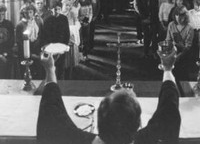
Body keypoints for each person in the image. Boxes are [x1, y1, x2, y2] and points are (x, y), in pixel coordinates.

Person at [37, 46, 180, 144]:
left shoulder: (76, 140)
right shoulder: (148, 138)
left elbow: (51, 111)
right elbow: (169, 107)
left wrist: (50, 69)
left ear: (98, 123)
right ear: (138, 124)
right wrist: (167, 68)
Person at [40, 0, 70, 79]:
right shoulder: (47, 20)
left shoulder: (64, 18)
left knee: (61, 69)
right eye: (55, 9)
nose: (57, 11)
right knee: (51, 68)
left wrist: (64, 47)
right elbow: (44, 35)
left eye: (59, 9)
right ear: (51, 9)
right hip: (51, 47)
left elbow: (67, 34)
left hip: (61, 46)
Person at [166, 7, 194, 80]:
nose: (178, 18)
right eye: (176, 16)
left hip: (184, 54)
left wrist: (179, 56)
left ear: (185, 16)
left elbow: (188, 46)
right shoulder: (171, 25)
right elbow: (168, 40)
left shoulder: (189, 28)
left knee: (182, 77)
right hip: (172, 52)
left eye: (181, 16)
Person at [0, 4, 14, 78]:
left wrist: (4, 54)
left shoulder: (8, 24)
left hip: (7, 54)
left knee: (7, 75)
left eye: (2, 14)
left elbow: (11, 40)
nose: (0, 16)